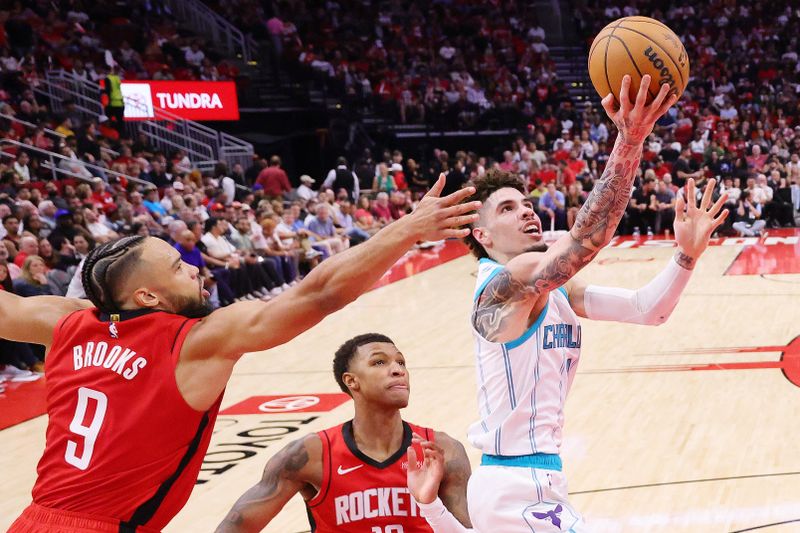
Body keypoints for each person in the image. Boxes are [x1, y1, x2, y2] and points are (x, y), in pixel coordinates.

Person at [3, 176, 480, 532]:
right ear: (149, 297)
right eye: (177, 266)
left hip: (33, 519)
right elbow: (319, 295)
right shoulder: (195, 340)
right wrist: (404, 231)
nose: (192, 267)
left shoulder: (64, 322)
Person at [460, 76, 727, 532]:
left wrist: (686, 256)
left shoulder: (553, 289)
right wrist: (630, 138)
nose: (526, 210)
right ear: (481, 236)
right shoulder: (507, 284)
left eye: (526, 203)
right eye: (506, 209)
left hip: (540, 477)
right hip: (510, 483)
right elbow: (589, 236)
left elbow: (649, 310)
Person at [216, 333, 472, 532]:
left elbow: (469, 531)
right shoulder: (310, 455)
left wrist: (431, 506)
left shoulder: (441, 449)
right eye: (379, 362)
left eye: (401, 362)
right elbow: (237, 526)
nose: (398, 369)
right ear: (351, 381)